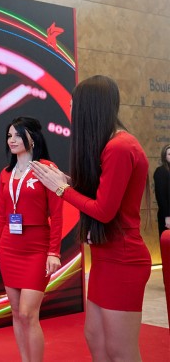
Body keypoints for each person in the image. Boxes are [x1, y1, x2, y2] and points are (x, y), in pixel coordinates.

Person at [30, 75, 151, 361]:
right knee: (95, 338)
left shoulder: (120, 147)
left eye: (74, 104)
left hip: (123, 260)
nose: (71, 110)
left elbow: (104, 211)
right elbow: (104, 196)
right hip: (106, 257)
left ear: (90, 107)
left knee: (121, 350)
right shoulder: (113, 145)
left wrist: (61, 189)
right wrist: (67, 182)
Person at [0, 117, 63, 362]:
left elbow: (57, 214)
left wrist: (54, 252)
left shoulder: (47, 168)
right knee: (17, 313)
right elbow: (1, 216)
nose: (12, 140)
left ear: (33, 137)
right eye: (9, 136)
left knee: (29, 313)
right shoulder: (5, 173)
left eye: (18, 135)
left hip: (37, 248)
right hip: (9, 247)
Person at [154, 143, 170, 240]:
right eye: (169, 154)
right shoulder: (160, 171)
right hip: (167, 214)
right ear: (164, 156)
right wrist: (167, 216)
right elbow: (161, 196)